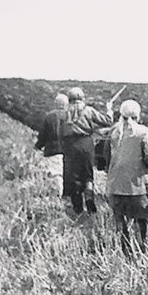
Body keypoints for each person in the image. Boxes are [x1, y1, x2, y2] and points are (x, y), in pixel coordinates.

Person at [106, 100, 148, 256]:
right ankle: (142, 252)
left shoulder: (114, 132)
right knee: (140, 221)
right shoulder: (143, 132)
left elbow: (108, 157)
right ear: (138, 115)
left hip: (116, 186)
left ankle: (126, 252)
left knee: (121, 222)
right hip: (138, 186)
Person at [61, 87, 114, 215]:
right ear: (82, 98)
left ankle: (77, 207)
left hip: (70, 145)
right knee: (88, 174)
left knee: (74, 175)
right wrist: (109, 110)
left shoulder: (63, 112)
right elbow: (107, 121)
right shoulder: (88, 110)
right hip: (86, 144)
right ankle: (90, 200)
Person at [35, 92, 69, 158]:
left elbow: (43, 135)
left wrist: (37, 146)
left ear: (55, 104)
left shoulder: (49, 116)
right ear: (67, 104)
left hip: (51, 152)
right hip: (67, 154)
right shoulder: (71, 115)